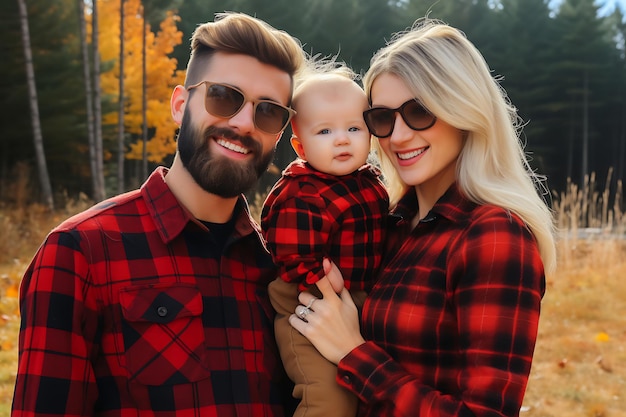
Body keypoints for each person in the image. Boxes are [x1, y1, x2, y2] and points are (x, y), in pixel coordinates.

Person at [12, 12, 305, 417]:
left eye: (268, 111)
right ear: (180, 105)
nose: (243, 123)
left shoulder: (281, 267)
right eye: (223, 96)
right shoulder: (80, 253)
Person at [289, 18, 557, 417]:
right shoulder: (392, 224)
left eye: (419, 112)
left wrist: (354, 352)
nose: (397, 137)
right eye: (381, 118)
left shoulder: (495, 237)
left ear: (463, 110)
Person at [260, 64, 389, 417]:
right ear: (301, 146)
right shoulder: (302, 193)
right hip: (306, 303)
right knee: (328, 399)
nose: (342, 139)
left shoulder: (369, 181)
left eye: (353, 127)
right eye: (325, 131)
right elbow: (290, 251)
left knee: (365, 395)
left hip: (354, 298)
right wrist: (320, 277)